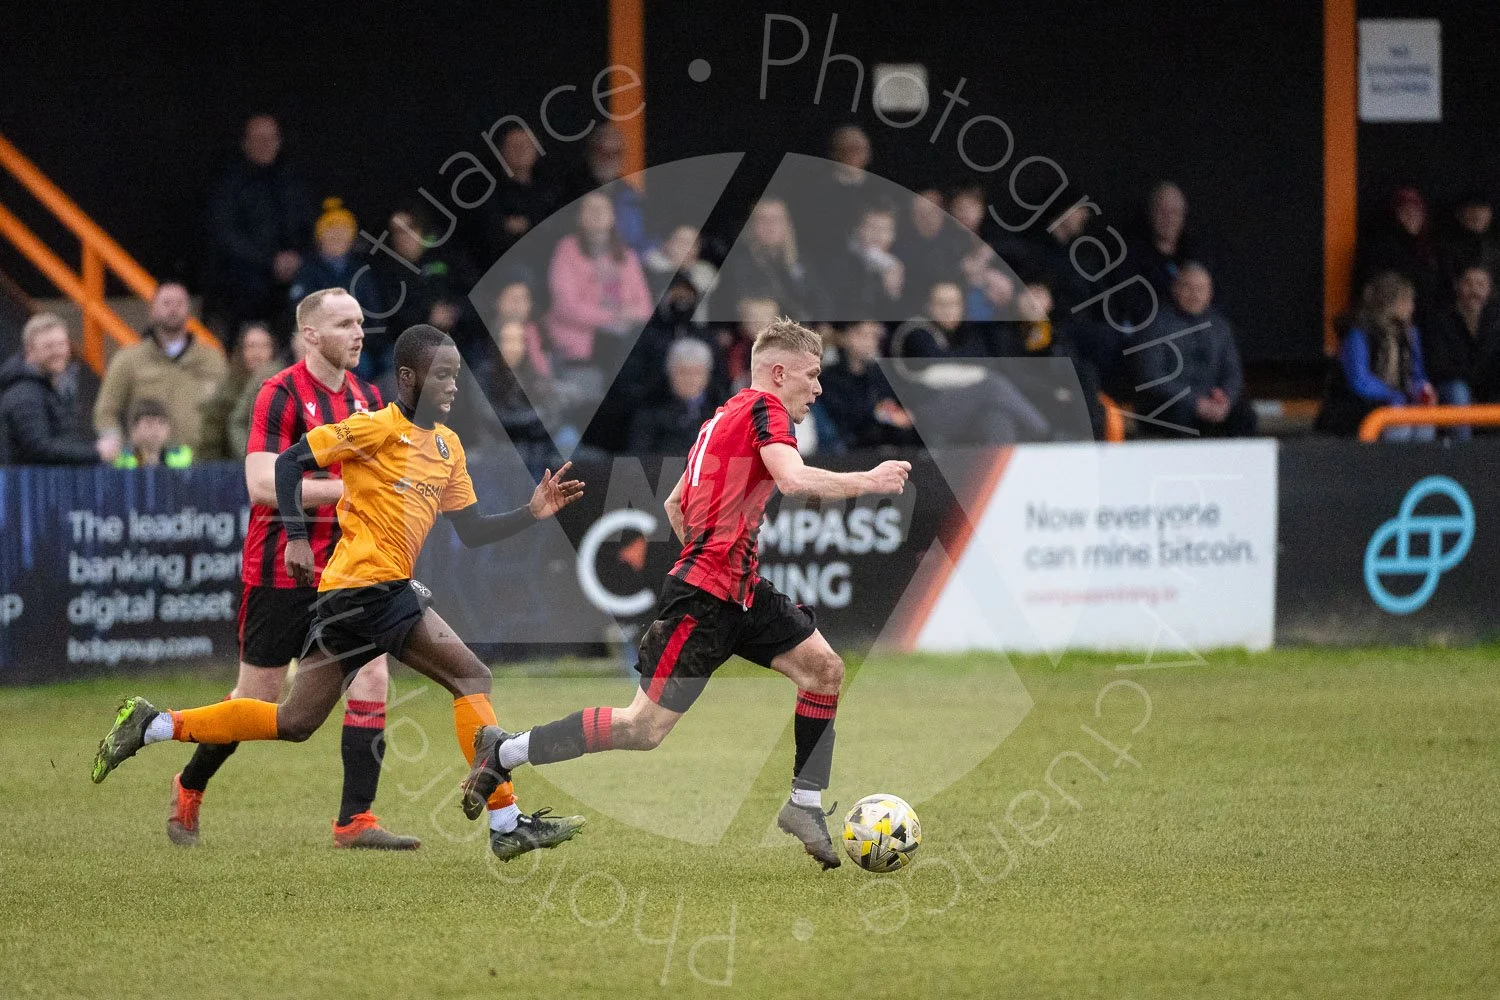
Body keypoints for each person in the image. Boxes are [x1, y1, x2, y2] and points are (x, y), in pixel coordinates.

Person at [92, 324, 589, 863]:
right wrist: (298, 537)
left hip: (353, 596)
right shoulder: (375, 428)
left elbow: (470, 530)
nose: (452, 385)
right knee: (471, 675)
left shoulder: (447, 447)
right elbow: (288, 463)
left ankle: (153, 724)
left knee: (295, 721)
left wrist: (532, 512)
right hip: (367, 587)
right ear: (407, 378)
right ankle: (505, 822)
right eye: (442, 374)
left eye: (456, 375)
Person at [459, 319, 912, 870]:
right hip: (705, 597)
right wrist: (870, 480)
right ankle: (504, 750)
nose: (818, 388)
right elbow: (792, 481)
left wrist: (718, 552)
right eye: (812, 376)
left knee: (824, 669)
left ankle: (804, 804)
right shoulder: (765, 412)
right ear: (778, 372)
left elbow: (676, 504)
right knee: (642, 729)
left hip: (738, 589)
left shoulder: (720, 417)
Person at [162, 287, 413, 849]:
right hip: (280, 567)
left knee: (372, 676)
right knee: (259, 698)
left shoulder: (369, 398)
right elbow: (259, 485)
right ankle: (190, 783)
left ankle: (355, 821)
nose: (358, 333)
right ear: (311, 336)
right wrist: (347, 490)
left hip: (348, 569)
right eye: (345, 324)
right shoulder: (278, 395)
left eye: (360, 322)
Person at [205, 114, 315, 340]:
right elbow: (225, 233)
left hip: (295, 270)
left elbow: (309, 224)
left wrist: (297, 257)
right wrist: (269, 261)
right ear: (245, 142)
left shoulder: (292, 178)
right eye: (258, 138)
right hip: (246, 274)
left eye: (271, 138)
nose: (266, 145)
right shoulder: (228, 181)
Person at [94, 282, 228, 454]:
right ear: (152, 310)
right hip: (147, 465)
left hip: (202, 462)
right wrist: (113, 441)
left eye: (179, 304)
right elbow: (106, 410)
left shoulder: (212, 359)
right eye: (166, 303)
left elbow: (228, 410)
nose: (173, 309)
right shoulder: (128, 359)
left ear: (189, 311)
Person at [1127, 265, 1253, 438]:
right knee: (1180, 415)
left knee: (1244, 415)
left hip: (1211, 399)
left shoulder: (1220, 326)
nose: (1195, 294)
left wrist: (1226, 398)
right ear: (1175, 289)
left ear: (1210, 293)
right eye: (1188, 287)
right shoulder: (1155, 325)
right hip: (1170, 401)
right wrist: (1195, 401)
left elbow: (1233, 371)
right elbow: (1152, 376)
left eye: (1201, 289)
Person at [1316, 271, 1436, 440]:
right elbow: (1359, 381)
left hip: (1398, 400)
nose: (1411, 306)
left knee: (1425, 421)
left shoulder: (1410, 334)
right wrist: (1392, 396)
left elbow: (1416, 373)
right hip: (1359, 404)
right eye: (1406, 301)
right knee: (1399, 422)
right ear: (1389, 303)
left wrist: (1422, 390)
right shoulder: (1359, 333)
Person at [0, 313, 114, 465]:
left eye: (62, 344)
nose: (58, 352)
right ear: (29, 351)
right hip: (32, 485)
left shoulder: (55, 388)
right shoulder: (23, 393)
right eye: (49, 346)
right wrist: (95, 453)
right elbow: (38, 448)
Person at [288, 199, 385, 352]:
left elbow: (375, 315)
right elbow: (300, 312)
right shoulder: (308, 270)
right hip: (323, 346)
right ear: (320, 236)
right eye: (330, 230)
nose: (337, 236)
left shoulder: (362, 270)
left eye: (343, 231)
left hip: (361, 347)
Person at [1419, 265, 1500, 437]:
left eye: (1480, 285)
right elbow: (1439, 365)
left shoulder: (1495, 320)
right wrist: (1472, 380)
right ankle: (1465, 456)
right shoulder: (1440, 319)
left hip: (1486, 386)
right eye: (1468, 284)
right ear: (1458, 286)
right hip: (1450, 384)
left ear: (1490, 290)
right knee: (1459, 391)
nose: (1474, 291)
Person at [715, 198, 824, 319]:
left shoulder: (801, 259)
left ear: (787, 225)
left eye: (776, 219)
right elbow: (745, 298)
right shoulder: (738, 261)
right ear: (752, 226)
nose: (770, 225)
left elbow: (821, 298)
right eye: (763, 219)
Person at [469, 124, 562, 263]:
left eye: (527, 145)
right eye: (514, 146)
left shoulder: (549, 188)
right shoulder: (487, 189)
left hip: (549, 258)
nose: (521, 151)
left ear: (537, 151)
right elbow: (491, 231)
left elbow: (557, 227)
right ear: (502, 151)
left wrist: (527, 223)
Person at [819, 320, 916, 449]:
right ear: (847, 336)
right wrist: (878, 413)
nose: (869, 343)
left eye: (873, 337)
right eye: (863, 335)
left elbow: (893, 405)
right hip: (848, 445)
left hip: (882, 441)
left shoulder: (880, 374)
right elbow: (841, 415)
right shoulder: (831, 377)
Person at [198, 322, 278, 460]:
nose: (257, 354)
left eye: (264, 346)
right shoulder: (227, 390)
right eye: (251, 346)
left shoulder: (285, 387)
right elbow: (212, 438)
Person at [626, 337, 716, 454]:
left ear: (707, 375)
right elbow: (639, 454)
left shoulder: (721, 409)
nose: (689, 379)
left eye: (696, 372)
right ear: (670, 373)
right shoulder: (651, 410)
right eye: (683, 372)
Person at [113, 398, 193, 468]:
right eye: (149, 423)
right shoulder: (123, 459)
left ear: (169, 429)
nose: (156, 429)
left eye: (161, 423)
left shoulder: (182, 455)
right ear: (135, 428)